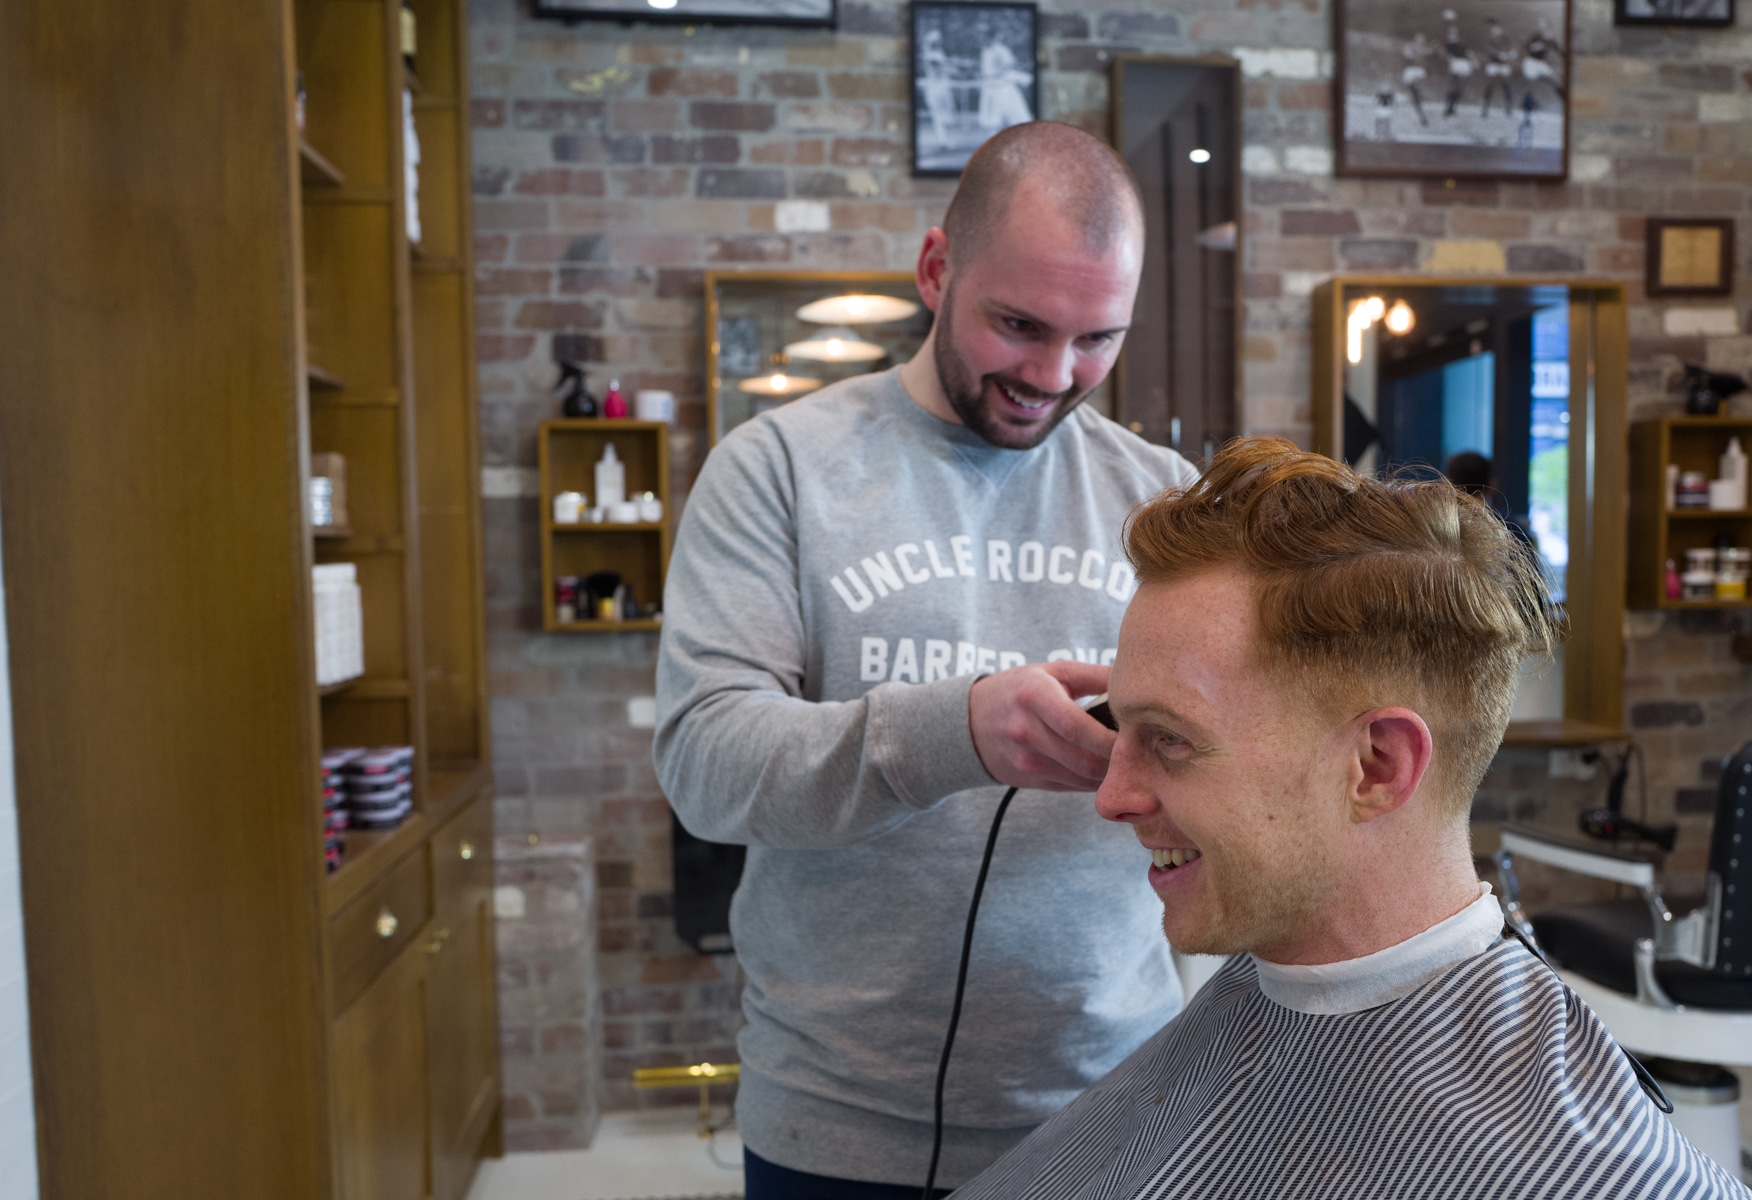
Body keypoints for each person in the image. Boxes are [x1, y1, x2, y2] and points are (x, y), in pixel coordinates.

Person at [953, 439, 1749, 1200]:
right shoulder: (1261, 990)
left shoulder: (1589, 1174)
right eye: (1117, 725)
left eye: (1170, 739)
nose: (1111, 796)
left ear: (1377, 767)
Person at [655, 121, 1196, 1199]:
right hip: (833, 1123)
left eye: (1097, 339)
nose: (1052, 375)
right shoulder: (777, 472)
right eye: (1018, 325)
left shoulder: (1167, 502)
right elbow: (706, 764)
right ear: (937, 269)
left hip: (1113, 1107)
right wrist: (953, 733)